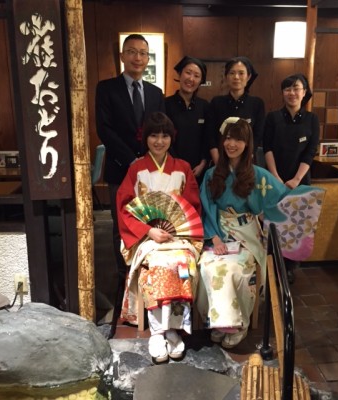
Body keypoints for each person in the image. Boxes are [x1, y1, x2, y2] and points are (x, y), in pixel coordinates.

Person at [197, 117, 324, 349]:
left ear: (247, 144)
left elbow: (282, 199)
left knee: (235, 269)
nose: (232, 144)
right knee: (207, 266)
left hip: (246, 233)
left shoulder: (258, 175)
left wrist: (306, 201)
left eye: (238, 139)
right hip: (218, 231)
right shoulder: (211, 174)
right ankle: (218, 321)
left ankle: (237, 324)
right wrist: (214, 238)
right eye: (228, 138)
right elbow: (207, 209)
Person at [116, 112, 202, 363]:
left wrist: (178, 230)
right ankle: (157, 331)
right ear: (145, 138)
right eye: (154, 135)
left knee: (181, 265)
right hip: (147, 237)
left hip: (178, 236)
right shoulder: (137, 169)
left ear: (172, 138)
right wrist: (148, 230)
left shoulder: (183, 168)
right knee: (158, 266)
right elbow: (124, 208)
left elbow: (192, 207)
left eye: (165, 136)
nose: (159, 141)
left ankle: (174, 328)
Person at [95, 33, 165, 337]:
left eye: (143, 53)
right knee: (120, 224)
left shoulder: (156, 92)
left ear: (148, 59)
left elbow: (159, 129)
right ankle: (124, 274)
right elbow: (105, 130)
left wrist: (147, 160)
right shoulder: (106, 88)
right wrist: (132, 159)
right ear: (123, 56)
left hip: (150, 171)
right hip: (120, 168)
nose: (138, 58)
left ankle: (146, 268)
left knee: (149, 220)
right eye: (132, 52)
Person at [263, 73, 319, 284]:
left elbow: (310, 151)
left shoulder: (312, 119)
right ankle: (273, 265)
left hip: (300, 181)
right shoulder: (273, 117)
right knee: (275, 223)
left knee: (296, 225)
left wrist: (296, 179)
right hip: (273, 179)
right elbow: (267, 148)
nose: (292, 93)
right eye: (287, 89)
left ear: (304, 92)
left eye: (296, 88)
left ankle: (290, 268)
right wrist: (275, 177)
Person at [206, 56, 265, 165]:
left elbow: (257, 135)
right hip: (220, 160)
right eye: (232, 73)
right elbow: (210, 135)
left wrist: (246, 160)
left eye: (241, 73)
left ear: (248, 77)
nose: (236, 77)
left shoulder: (257, 103)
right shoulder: (216, 102)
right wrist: (218, 162)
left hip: (247, 162)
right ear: (226, 77)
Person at [165, 56, 210, 184]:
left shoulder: (205, 106)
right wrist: (177, 165)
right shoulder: (165, 104)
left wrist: (203, 163)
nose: (191, 78)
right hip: (170, 169)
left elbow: (208, 138)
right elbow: (162, 137)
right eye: (188, 72)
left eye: (196, 76)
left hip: (198, 171)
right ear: (180, 74)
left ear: (201, 81)